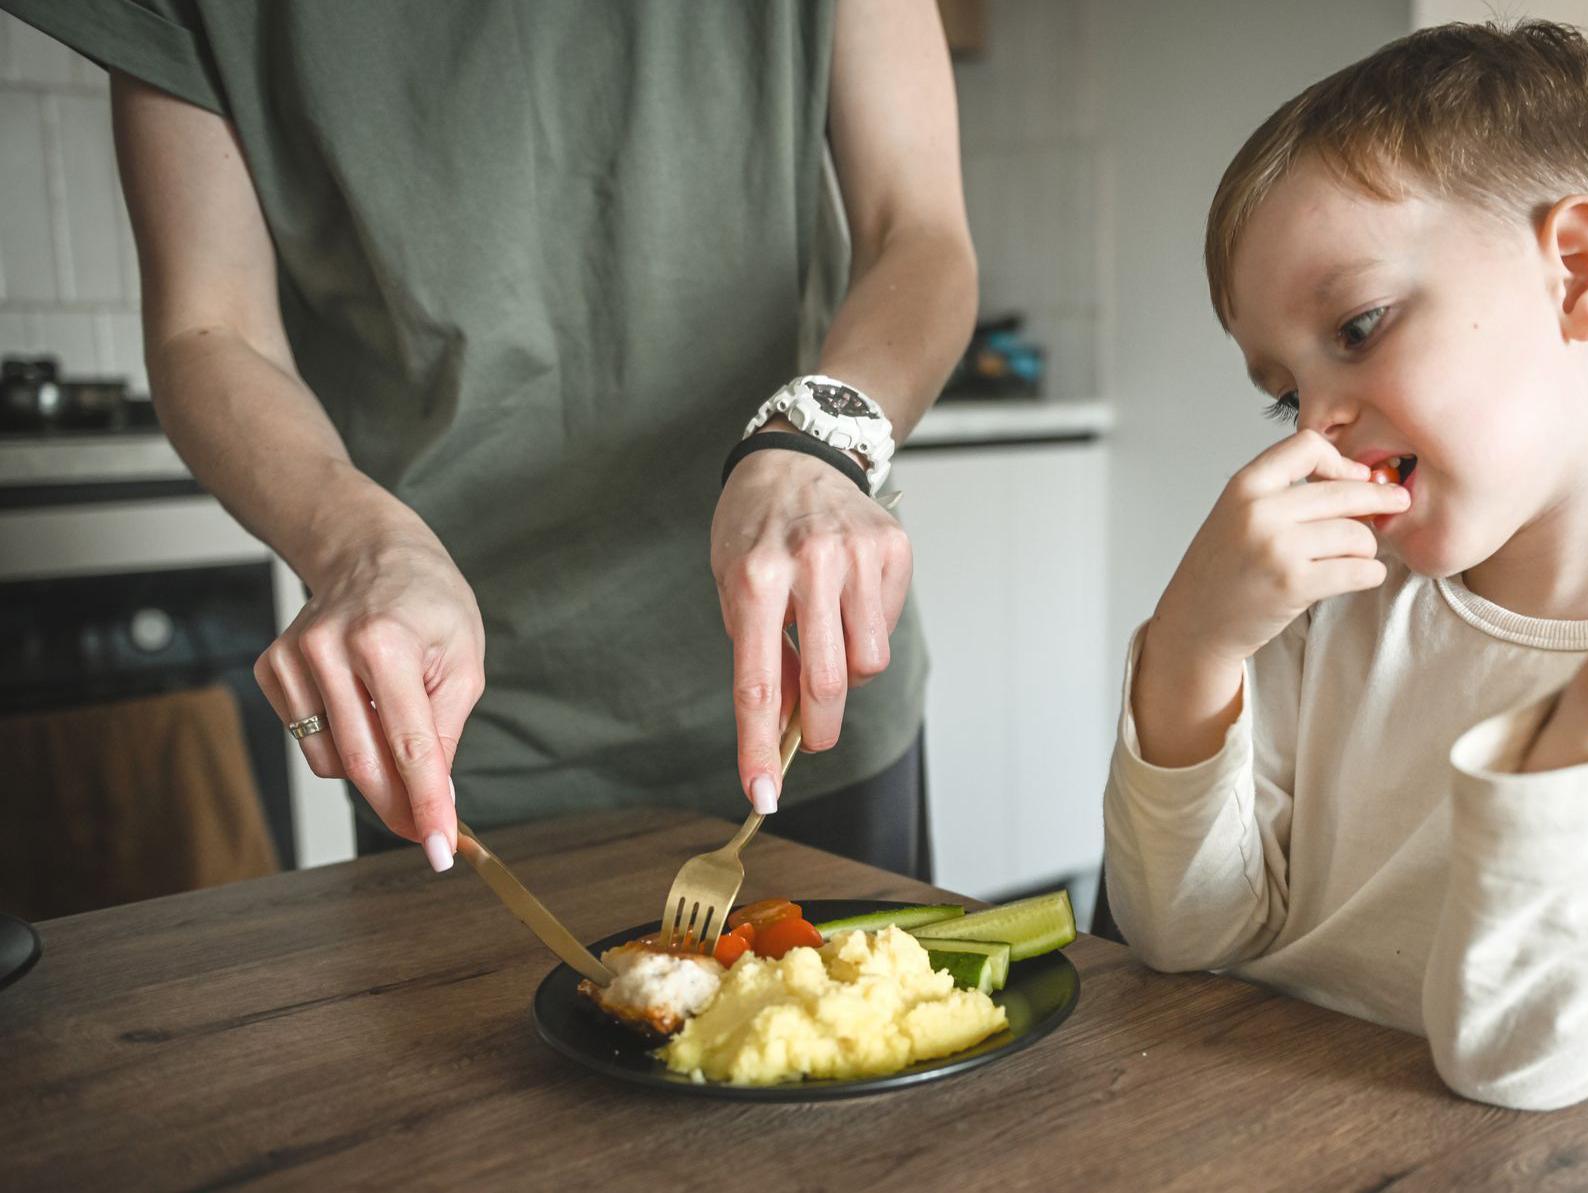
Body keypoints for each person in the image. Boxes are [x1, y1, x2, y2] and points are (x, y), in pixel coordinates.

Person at [4, 0, 975, 877]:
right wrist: (360, 546)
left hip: (812, 688)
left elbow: (919, 230)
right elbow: (206, 329)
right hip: (450, 732)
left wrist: (812, 443)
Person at [1102, 21, 1588, 1117]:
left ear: (1580, 274)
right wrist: (1193, 646)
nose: (1316, 422)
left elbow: (1527, 1066)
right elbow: (1181, 935)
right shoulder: (1337, 599)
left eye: (1358, 327)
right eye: (1283, 391)